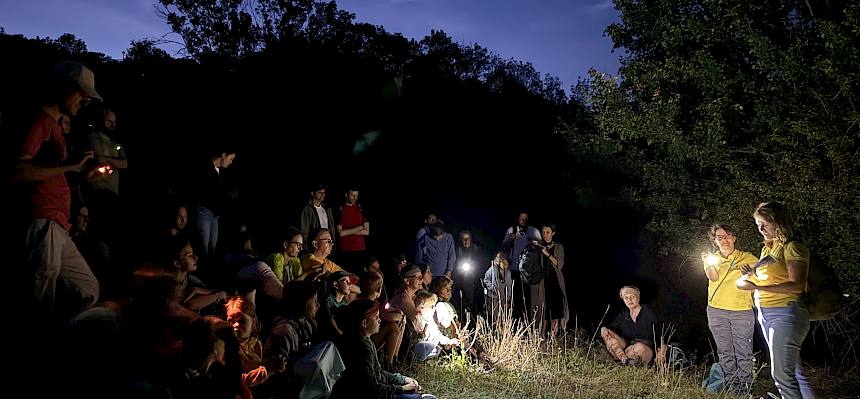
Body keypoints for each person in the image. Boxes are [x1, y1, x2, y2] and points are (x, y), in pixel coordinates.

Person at [16, 61, 102, 319]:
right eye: (82, 93)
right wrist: (67, 165)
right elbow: (18, 171)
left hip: (59, 225)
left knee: (88, 289)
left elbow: (53, 172)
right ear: (64, 87)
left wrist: (78, 172)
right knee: (40, 296)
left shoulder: (57, 129)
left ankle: (64, 337)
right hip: (43, 220)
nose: (85, 101)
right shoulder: (40, 121)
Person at [737, 202, 815, 399]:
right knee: (795, 373)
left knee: (781, 374)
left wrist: (758, 287)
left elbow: (797, 285)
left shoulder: (793, 247)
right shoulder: (767, 251)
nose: (761, 229)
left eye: (765, 223)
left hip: (786, 312)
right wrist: (749, 277)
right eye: (757, 224)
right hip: (766, 313)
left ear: (778, 222)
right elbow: (766, 278)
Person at [330, 299, 436, 399]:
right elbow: (372, 389)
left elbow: (378, 372)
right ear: (364, 323)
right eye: (376, 318)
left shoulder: (363, 340)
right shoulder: (361, 348)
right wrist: (402, 389)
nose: (380, 320)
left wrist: (402, 379)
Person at [702, 224, 758, 395]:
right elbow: (713, 277)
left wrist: (751, 273)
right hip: (716, 311)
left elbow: (761, 279)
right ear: (715, 241)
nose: (724, 239)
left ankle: (744, 387)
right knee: (725, 351)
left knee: (743, 351)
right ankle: (732, 385)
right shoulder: (713, 259)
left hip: (741, 311)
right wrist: (708, 262)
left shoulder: (748, 258)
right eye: (720, 237)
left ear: (734, 238)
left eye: (727, 235)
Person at [600, 286, 659, 366]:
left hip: (646, 349)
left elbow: (661, 332)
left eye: (632, 297)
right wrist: (604, 329)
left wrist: (661, 349)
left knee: (640, 348)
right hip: (628, 346)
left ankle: (631, 361)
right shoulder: (624, 315)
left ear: (638, 298)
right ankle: (624, 360)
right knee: (608, 334)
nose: (629, 300)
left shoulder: (648, 312)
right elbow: (612, 327)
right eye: (626, 298)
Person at [337, 187, 370, 273]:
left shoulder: (361, 208)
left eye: (356, 195)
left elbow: (367, 231)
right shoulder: (340, 209)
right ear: (346, 195)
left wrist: (347, 231)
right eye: (352, 195)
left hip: (360, 249)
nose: (355, 198)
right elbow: (341, 233)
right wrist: (360, 227)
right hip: (345, 250)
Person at [483, 251, 513, 325]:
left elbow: (509, 286)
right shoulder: (492, 269)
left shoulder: (508, 273)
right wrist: (492, 288)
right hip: (493, 297)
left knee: (503, 317)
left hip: (503, 298)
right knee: (494, 317)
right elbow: (485, 279)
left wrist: (508, 299)